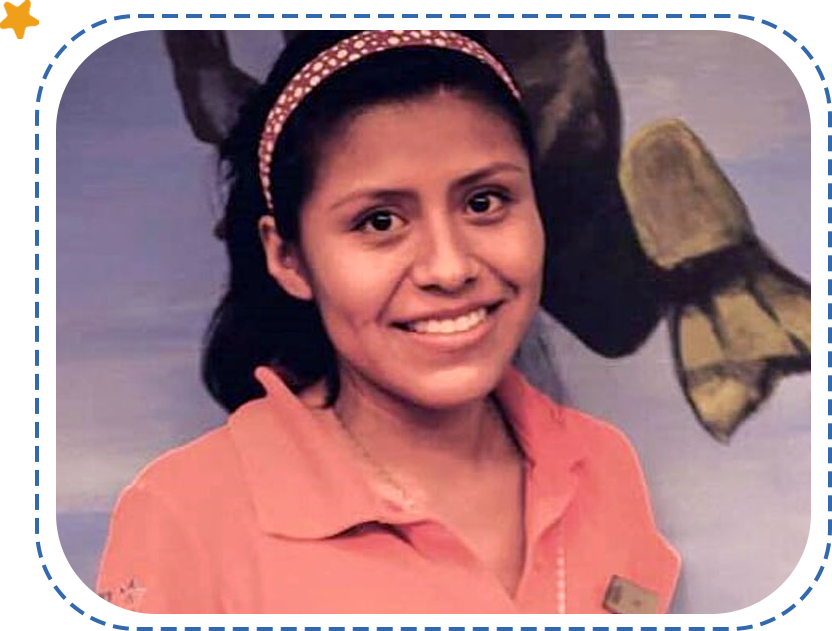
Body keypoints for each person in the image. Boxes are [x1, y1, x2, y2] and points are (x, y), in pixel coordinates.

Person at [96, 30, 680, 624]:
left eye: (484, 202)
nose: (450, 268)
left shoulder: (602, 465)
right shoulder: (184, 517)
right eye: (379, 221)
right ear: (288, 257)